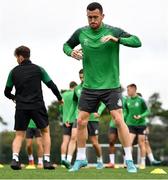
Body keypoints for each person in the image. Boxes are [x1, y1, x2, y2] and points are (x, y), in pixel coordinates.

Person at [63, 2, 141, 173]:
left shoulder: (113, 31)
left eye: (95, 17)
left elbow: (137, 41)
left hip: (111, 86)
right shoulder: (81, 32)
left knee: (119, 119)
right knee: (81, 121)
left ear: (102, 16)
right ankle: (81, 159)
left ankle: (129, 160)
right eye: (89, 17)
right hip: (89, 87)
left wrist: (118, 39)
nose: (92, 20)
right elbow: (66, 45)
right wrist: (71, 52)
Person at [4, 45, 63, 170]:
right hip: (38, 106)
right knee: (45, 132)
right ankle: (46, 160)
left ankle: (15, 159)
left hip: (21, 106)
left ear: (20, 57)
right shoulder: (39, 69)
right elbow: (51, 85)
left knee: (19, 135)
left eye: (16, 57)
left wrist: (14, 97)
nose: (16, 60)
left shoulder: (13, 71)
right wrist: (59, 98)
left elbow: (6, 92)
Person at [125, 84, 150, 169]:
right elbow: (126, 112)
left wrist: (141, 116)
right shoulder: (127, 100)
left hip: (141, 124)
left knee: (141, 143)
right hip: (130, 124)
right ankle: (129, 162)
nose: (127, 92)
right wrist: (124, 121)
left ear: (134, 89)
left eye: (128, 90)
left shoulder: (141, 100)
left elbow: (148, 111)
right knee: (129, 143)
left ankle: (142, 163)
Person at [136, 93, 161, 166]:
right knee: (129, 144)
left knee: (145, 143)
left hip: (141, 128)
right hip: (131, 128)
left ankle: (151, 160)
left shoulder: (143, 109)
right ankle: (127, 162)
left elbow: (145, 119)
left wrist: (146, 127)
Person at [60, 81, 77, 169]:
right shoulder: (76, 93)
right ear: (75, 87)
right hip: (74, 119)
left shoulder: (63, 95)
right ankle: (69, 160)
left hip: (65, 120)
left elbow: (60, 109)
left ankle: (63, 160)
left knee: (65, 141)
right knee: (73, 140)